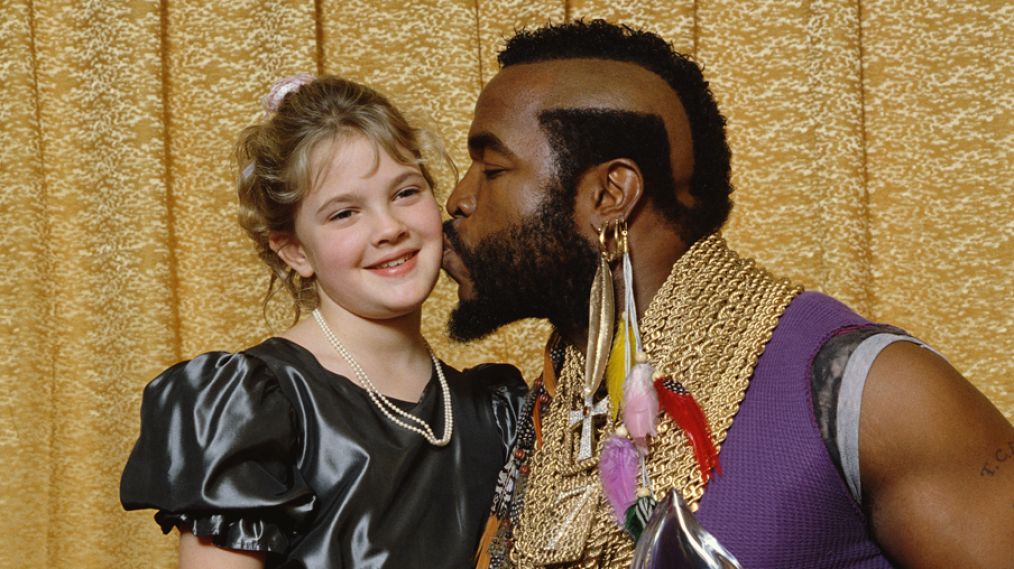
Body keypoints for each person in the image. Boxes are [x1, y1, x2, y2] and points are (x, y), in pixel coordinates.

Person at [441, 20, 1014, 569]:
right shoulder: (540, 411)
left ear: (610, 195)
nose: (458, 199)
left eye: (491, 168)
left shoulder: (870, 390)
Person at [120, 74, 527, 569]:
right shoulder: (251, 407)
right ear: (294, 250)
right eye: (344, 214)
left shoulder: (497, 410)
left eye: (404, 193)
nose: (389, 228)